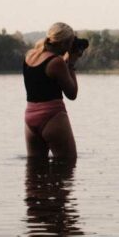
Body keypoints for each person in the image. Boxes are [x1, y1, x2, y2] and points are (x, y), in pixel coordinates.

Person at [23, 22, 83, 161]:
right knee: (67, 165)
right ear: (64, 44)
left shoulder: (29, 56)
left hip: (30, 118)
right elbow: (72, 94)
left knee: (35, 172)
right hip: (52, 117)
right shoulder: (56, 62)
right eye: (71, 43)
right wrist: (71, 64)